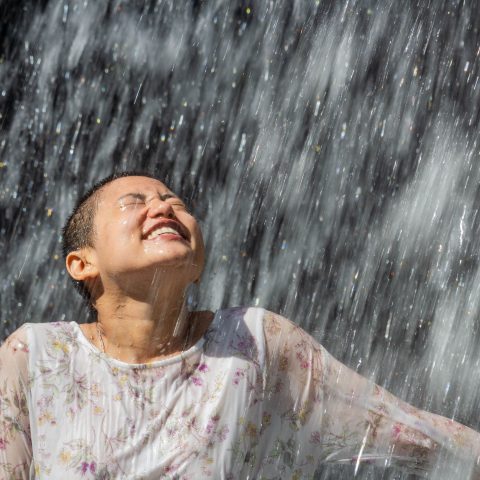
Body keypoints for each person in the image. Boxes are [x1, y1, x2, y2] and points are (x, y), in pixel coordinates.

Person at [1, 172, 479, 480]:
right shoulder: (35, 357)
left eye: (175, 202)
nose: (165, 208)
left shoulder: (256, 343)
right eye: (135, 202)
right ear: (81, 263)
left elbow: (407, 432)